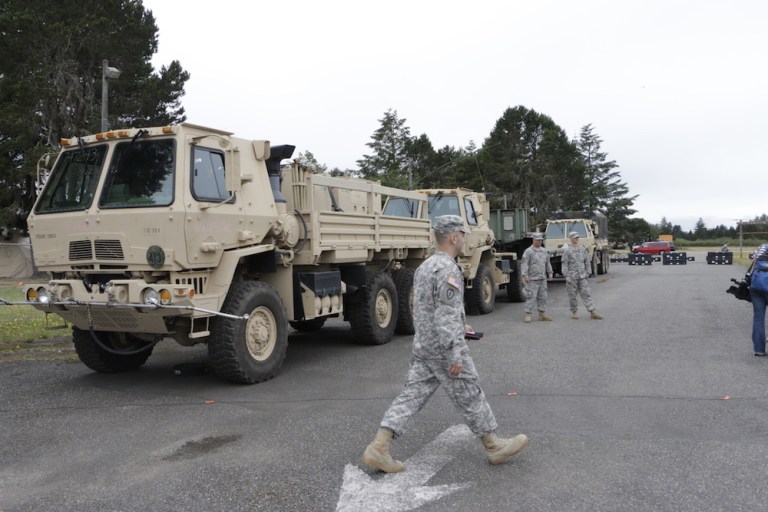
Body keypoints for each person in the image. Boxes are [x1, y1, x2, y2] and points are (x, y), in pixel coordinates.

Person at [362, 215, 528, 473]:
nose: (464, 239)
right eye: (462, 234)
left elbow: (428, 308)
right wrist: (454, 353)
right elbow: (445, 313)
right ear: (453, 237)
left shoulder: (426, 266)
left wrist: (461, 327)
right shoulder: (448, 269)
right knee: (470, 392)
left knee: (411, 396)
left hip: (425, 345)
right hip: (443, 348)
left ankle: (379, 446)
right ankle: (493, 445)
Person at [561, 231, 603, 320]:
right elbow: (564, 265)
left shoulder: (582, 249)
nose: (577, 239)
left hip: (582, 276)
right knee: (572, 295)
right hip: (572, 277)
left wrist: (588, 272)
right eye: (575, 237)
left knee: (586, 294)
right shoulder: (567, 251)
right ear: (571, 238)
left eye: (578, 237)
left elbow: (587, 261)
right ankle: (574, 312)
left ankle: (592, 311)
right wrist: (567, 276)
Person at [521, 232, 553, 323]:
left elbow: (547, 263)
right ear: (533, 240)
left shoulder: (544, 251)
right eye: (537, 240)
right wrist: (525, 275)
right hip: (532, 279)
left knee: (543, 297)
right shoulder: (528, 251)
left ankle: (542, 314)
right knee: (531, 297)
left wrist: (550, 273)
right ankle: (528, 314)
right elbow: (524, 264)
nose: (539, 241)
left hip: (542, 278)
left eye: (540, 240)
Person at [748, 243, 768, 356]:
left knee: (758, 318)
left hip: (757, 285)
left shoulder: (761, 247)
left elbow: (752, 259)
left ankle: (759, 350)